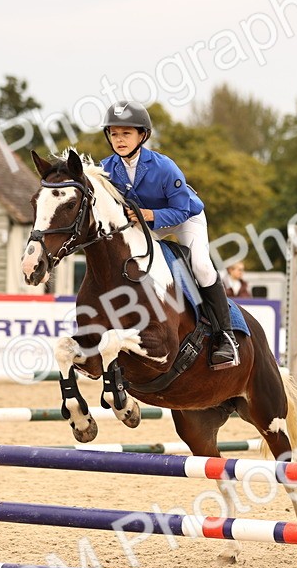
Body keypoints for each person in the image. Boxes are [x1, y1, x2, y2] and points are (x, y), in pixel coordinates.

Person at [99, 99, 238, 369]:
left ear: (143, 136)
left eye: (126, 133)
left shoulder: (164, 167)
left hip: (184, 217)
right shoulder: (106, 169)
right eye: (114, 134)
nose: (119, 139)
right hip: (145, 224)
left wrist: (151, 215)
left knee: (201, 266)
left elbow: (181, 209)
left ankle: (226, 335)